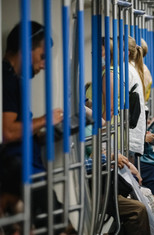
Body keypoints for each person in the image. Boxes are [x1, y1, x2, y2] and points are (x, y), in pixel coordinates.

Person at [1, 21, 65, 232]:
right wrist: (46, 120)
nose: (43, 64)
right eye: (42, 56)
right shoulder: (7, 80)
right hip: (20, 169)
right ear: (26, 50)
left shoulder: (13, 79)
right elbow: (8, 132)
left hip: (27, 166)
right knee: (57, 222)